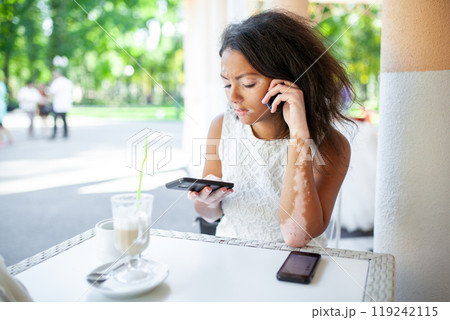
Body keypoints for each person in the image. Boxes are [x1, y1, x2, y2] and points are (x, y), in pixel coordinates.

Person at [187, 11, 354, 248]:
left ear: (288, 80)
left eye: (248, 84)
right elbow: (208, 214)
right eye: (227, 84)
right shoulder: (221, 127)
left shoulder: (331, 145)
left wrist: (299, 134)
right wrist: (209, 201)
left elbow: (298, 235)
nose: (233, 97)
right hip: (231, 258)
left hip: (293, 268)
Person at [48, 70, 73, 139]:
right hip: (65, 104)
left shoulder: (56, 82)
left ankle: (54, 134)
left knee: (55, 119)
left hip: (58, 104)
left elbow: (52, 92)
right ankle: (65, 133)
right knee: (64, 119)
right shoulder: (68, 82)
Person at [0, 79, 13, 146]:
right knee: (1, 126)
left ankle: (2, 140)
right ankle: (9, 138)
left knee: (1, 126)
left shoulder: (1, 85)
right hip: (2, 106)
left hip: (0, 107)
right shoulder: (2, 84)